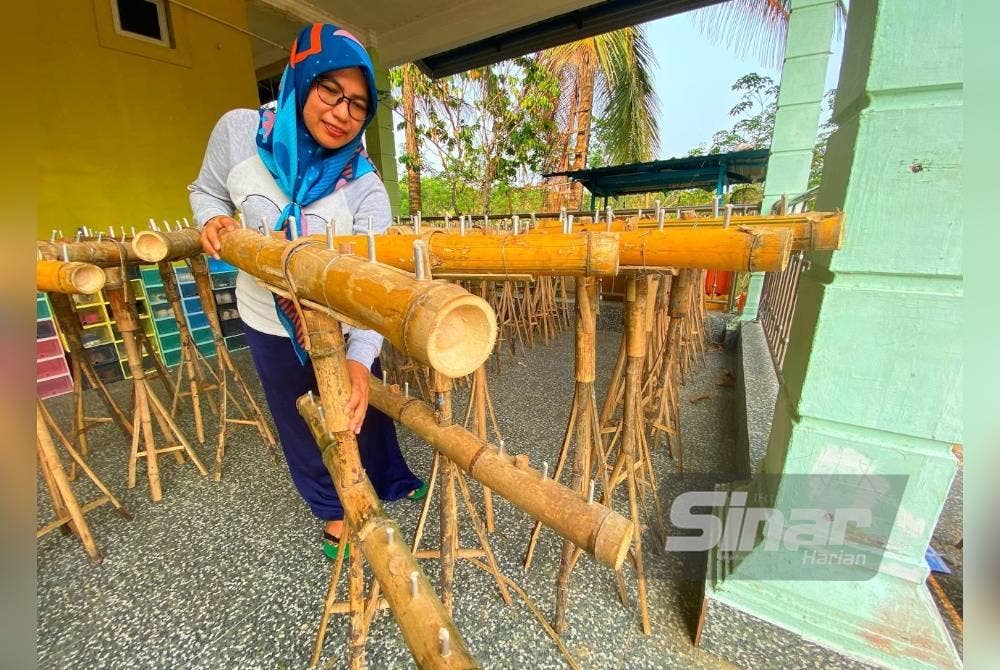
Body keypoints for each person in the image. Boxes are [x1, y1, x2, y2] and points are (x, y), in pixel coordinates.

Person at [189, 23, 425, 560]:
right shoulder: (239, 133)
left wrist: (360, 359)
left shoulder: (364, 185)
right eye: (330, 91)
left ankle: (385, 481)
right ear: (301, 78)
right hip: (267, 320)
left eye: (359, 105)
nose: (343, 113)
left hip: (342, 325)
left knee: (362, 411)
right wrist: (213, 219)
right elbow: (204, 189)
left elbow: (376, 283)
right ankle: (333, 511)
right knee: (302, 420)